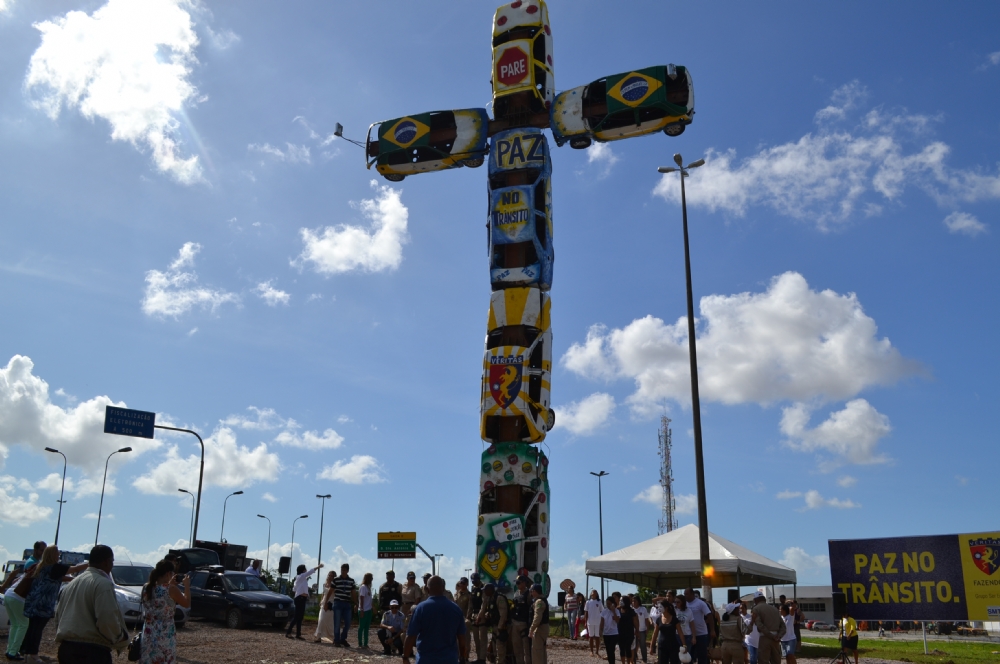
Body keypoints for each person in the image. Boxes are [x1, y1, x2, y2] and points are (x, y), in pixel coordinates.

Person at [53, 545, 130, 664]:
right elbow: (106, 618)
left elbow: (58, 615)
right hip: (91, 651)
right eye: (112, 561)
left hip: (66, 649)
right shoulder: (103, 584)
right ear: (106, 562)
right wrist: (119, 637)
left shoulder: (72, 584)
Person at [23, 546, 88, 664]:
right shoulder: (55, 567)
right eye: (57, 553)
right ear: (52, 555)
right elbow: (74, 569)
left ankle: (27, 654)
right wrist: (91, 563)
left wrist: (76, 579)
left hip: (33, 601)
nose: (59, 555)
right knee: (37, 630)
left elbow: (61, 577)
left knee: (32, 629)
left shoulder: (42, 566)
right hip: (43, 604)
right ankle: (33, 655)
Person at [403, 576, 468, 664]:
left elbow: (411, 636)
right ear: (443, 588)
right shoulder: (456, 609)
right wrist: (462, 658)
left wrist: (405, 657)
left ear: (427, 589)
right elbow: (462, 639)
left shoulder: (420, 609)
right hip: (449, 659)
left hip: (425, 660)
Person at [139, 559, 191, 664]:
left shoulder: (146, 587)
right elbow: (186, 603)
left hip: (148, 632)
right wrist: (187, 586)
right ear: (168, 574)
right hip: (164, 633)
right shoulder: (171, 589)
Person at [286, 562, 323, 639]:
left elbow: (294, 589)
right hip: (300, 598)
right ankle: (288, 632)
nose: (306, 570)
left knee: (300, 617)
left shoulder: (300, 579)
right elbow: (310, 571)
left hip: (301, 598)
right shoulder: (301, 576)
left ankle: (298, 634)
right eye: (305, 569)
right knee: (297, 617)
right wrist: (318, 566)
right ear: (303, 570)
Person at [2, 564, 30, 661]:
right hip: (17, 598)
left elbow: (14, 581)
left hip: (8, 593)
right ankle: (13, 652)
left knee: (15, 624)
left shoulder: (30, 570)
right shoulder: (40, 572)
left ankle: (10, 650)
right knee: (23, 624)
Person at [476, 583, 509, 664]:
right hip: (494, 626)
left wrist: (500, 628)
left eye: (486, 590)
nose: (484, 592)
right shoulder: (490, 598)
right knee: (494, 648)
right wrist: (483, 616)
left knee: (500, 648)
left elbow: (503, 614)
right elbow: (486, 609)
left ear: (490, 590)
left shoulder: (499, 598)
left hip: (501, 627)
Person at [750, 592, 783, 664]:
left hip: (764, 638)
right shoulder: (775, 609)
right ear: (764, 599)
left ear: (755, 600)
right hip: (776, 639)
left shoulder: (756, 609)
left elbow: (760, 625)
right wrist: (779, 636)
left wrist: (771, 636)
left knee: (763, 661)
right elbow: (783, 626)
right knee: (776, 661)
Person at [683, 589, 715, 664]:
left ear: (692, 594)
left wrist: (712, 630)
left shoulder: (700, 603)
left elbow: (709, 616)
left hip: (701, 634)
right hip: (689, 634)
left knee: (702, 656)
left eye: (687, 594)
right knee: (688, 656)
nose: (685, 596)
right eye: (684, 594)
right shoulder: (684, 604)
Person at [332, 563, 356, 648]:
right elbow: (331, 590)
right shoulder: (336, 579)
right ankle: (337, 640)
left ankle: (343, 638)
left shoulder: (351, 581)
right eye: (342, 570)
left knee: (348, 623)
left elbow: (353, 593)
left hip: (347, 603)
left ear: (348, 571)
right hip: (338, 602)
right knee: (337, 623)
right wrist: (326, 602)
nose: (343, 571)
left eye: (344, 570)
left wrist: (356, 604)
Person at [509, 575, 532, 664]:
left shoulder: (528, 594)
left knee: (526, 647)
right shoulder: (516, 593)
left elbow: (530, 609)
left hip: (524, 624)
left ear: (524, 583)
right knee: (516, 647)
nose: (517, 584)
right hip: (515, 623)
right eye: (516, 583)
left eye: (518, 582)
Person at [467, 573, 487, 663]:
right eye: (473, 581)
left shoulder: (484, 588)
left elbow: (484, 603)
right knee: (476, 638)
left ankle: (482, 658)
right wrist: (468, 615)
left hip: (482, 615)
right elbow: (470, 603)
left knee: (482, 638)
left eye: (475, 580)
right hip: (474, 615)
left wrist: (480, 615)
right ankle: (479, 657)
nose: (474, 583)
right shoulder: (473, 589)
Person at [529, 584, 550, 664]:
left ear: (535, 591)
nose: (531, 593)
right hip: (543, 628)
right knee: (542, 651)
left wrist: (531, 629)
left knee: (537, 651)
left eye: (532, 591)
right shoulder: (543, 599)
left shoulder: (539, 601)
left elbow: (537, 617)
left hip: (539, 628)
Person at [314, 571, 336, 643]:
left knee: (329, 622)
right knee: (321, 620)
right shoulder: (325, 584)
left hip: (331, 603)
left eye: (332, 576)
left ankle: (332, 637)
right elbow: (323, 594)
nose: (330, 577)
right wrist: (321, 601)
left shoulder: (335, 585)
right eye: (329, 575)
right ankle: (318, 636)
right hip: (324, 603)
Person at [600, 596, 621, 664]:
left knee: (611, 650)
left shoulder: (617, 611)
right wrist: (601, 630)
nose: (608, 605)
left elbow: (617, 620)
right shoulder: (604, 611)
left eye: (609, 604)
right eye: (607, 603)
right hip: (606, 633)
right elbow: (602, 622)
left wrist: (613, 611)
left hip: (614, 633)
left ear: (612, 604)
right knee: (608, 650)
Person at [586, 589, 604, 656]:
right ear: (591, 594)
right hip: (590, 622)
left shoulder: (599, 602)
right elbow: (586, 612)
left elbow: (602, 611)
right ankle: (591, 651)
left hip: (597, 622)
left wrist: (602, 621)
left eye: (595, 592)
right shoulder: (588, 602)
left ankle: (597, 651)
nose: (593, 593)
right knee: (591, 637)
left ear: (596, 594)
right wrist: (585, 621)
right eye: (593, 592)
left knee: (597, 636)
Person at [633, 595, 651, 664]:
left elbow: (646, 620)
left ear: (638, 601)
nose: (633, 602)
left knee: (643, 645)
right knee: (634, 646)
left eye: (635, 601)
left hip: (642, 630)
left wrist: (647, 629)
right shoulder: (632, 610)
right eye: (633, 601)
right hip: (634, 631)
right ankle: (633, 659)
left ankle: (644, 659)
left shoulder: (643, 609)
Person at [618, 596, 636, 664]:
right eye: (620, 600)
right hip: (620, 632)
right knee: (621, 649)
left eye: (621, 600)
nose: (620, 602)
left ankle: (628, 662)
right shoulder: (618, 610)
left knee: (628, 648)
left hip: (629, 633)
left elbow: (635, 622)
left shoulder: (631, 611)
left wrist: (637, 630)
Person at [358, 572, 374, 648]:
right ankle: (360, 643)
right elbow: (361, 598)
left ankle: (366, 643)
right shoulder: (363, 587)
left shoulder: (368, 588)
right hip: (363, 610)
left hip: (369, 610)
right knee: (361, 627)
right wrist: (361, 609)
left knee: (367, 628)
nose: (372, 579)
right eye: (371, 578)